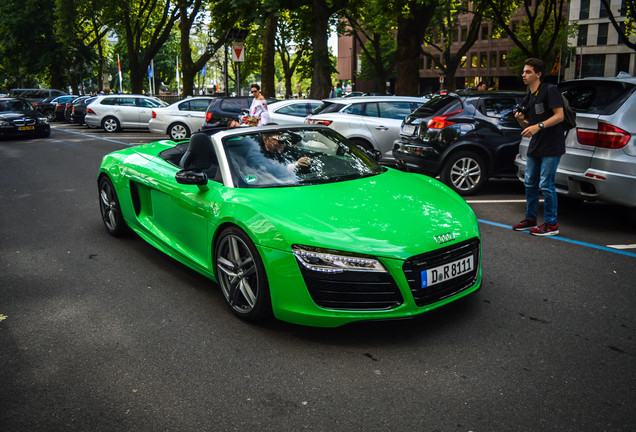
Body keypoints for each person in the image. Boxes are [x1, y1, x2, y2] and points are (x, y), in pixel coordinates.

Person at [513, 57, 565, 236]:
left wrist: (539, 126)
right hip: (536, 144)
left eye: (528, 72)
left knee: (546, 184)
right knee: (530, 182)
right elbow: (528, 126)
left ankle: (551, 225)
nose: (524, 75)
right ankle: (531, 219)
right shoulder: (529, 96)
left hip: (552, 145)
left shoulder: (550, 90)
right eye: (524, 71)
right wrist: (522, 121)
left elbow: (559, 116)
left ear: (538, 74)